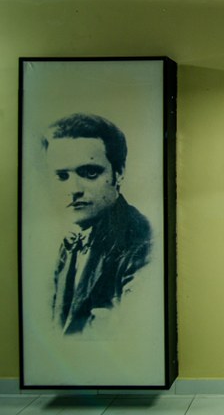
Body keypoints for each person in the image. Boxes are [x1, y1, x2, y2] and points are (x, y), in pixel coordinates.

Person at [41, 113, 152, 334]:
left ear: (119, 173)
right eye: (62, 176)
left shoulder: (143, 245)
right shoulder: (68, 243)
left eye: (90, 172)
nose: (73, 189)